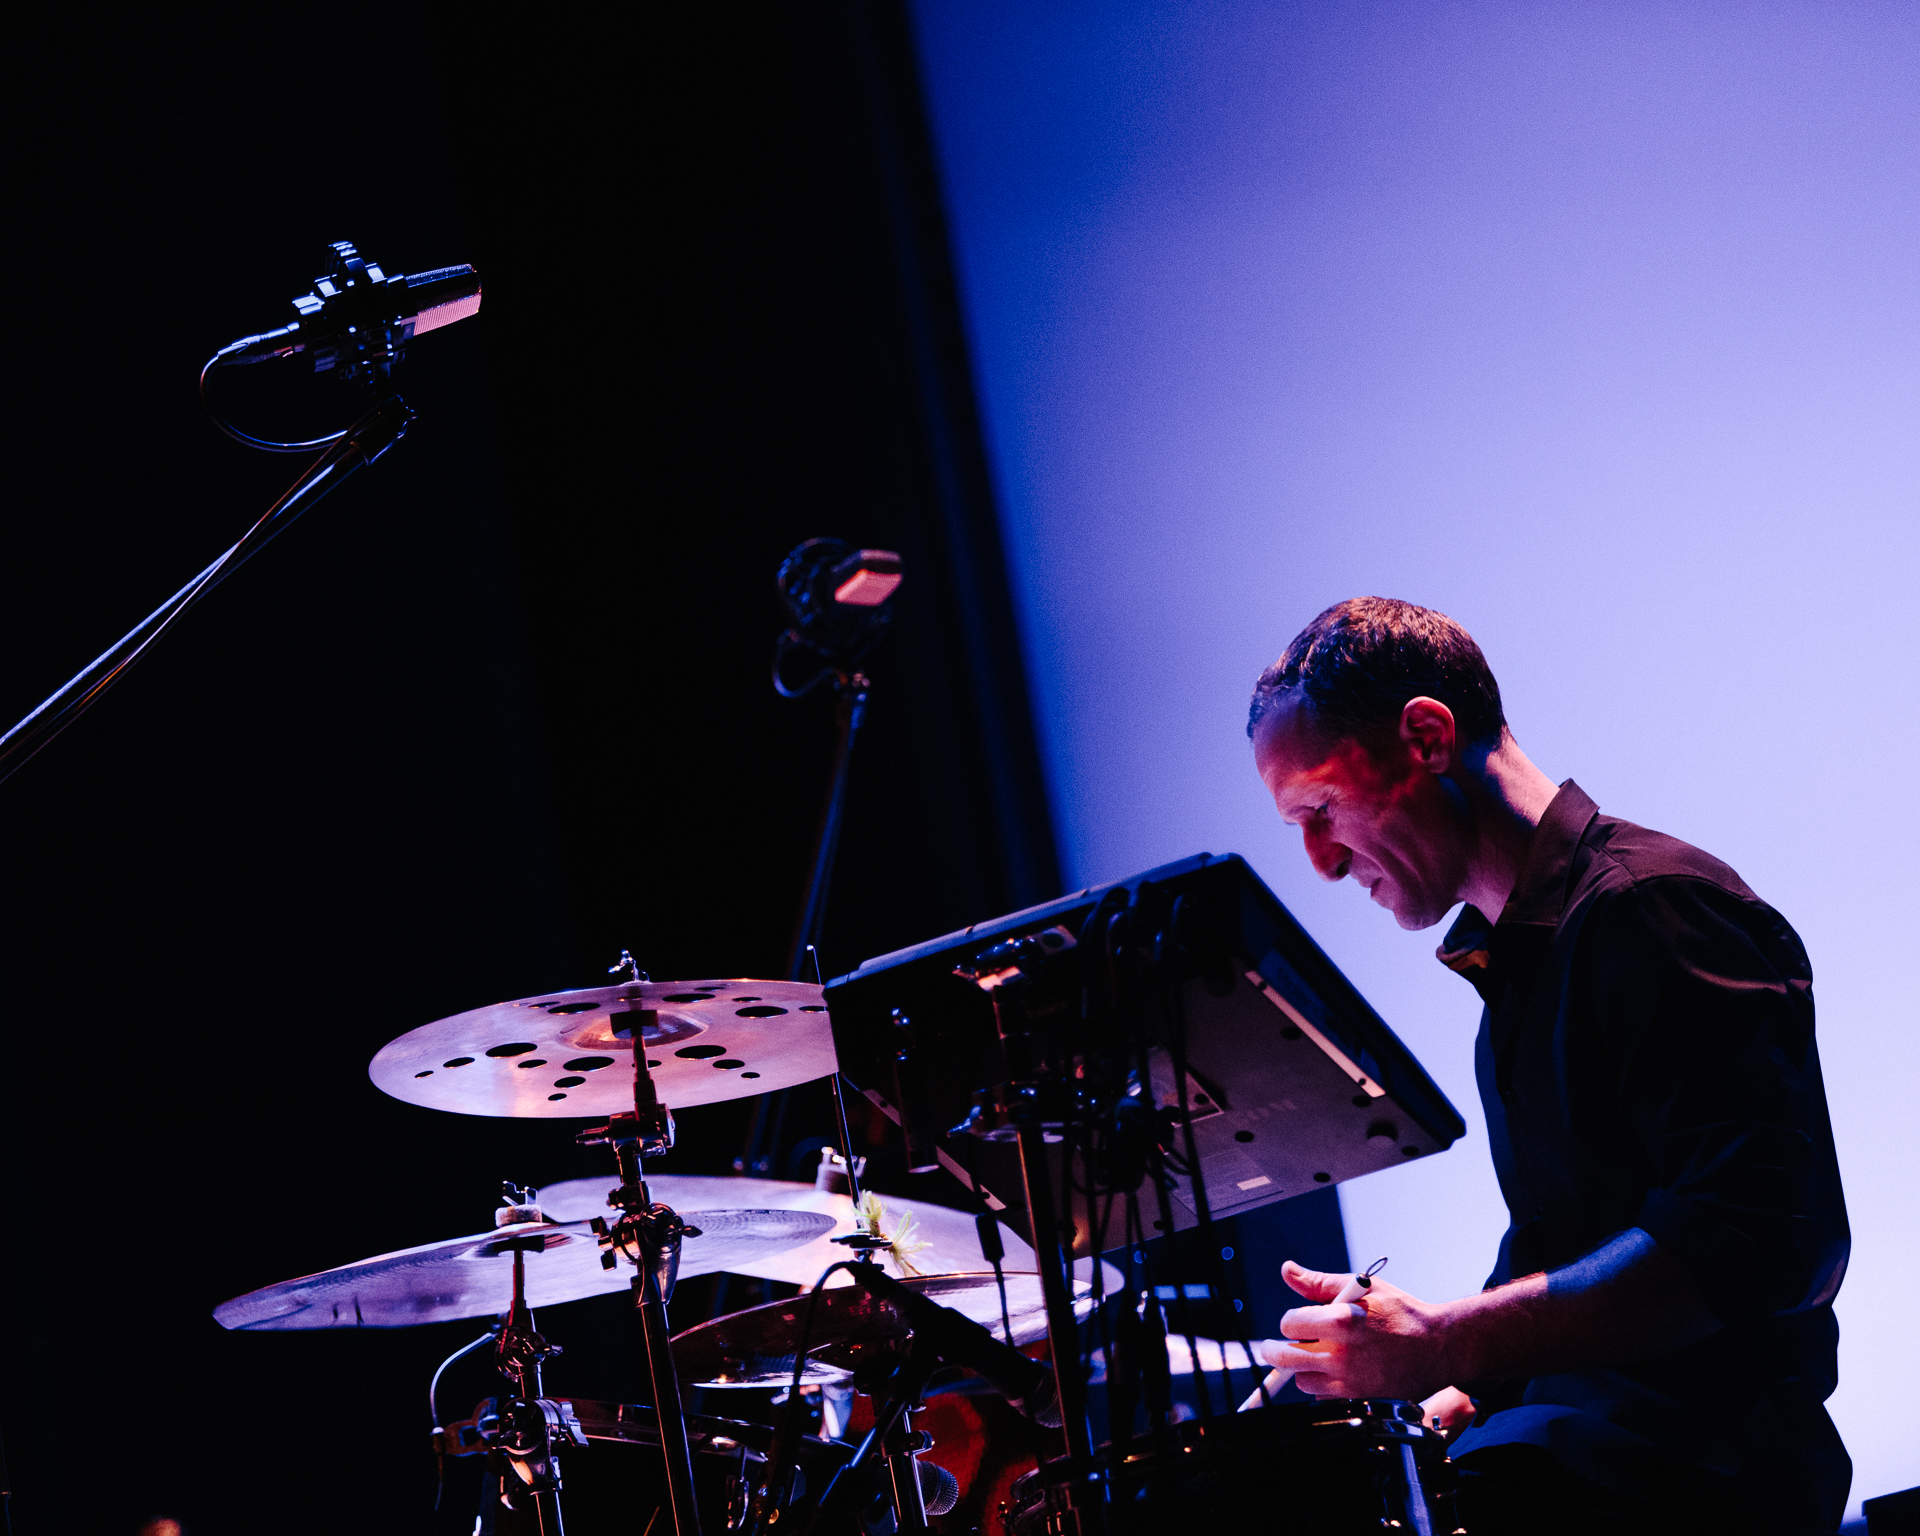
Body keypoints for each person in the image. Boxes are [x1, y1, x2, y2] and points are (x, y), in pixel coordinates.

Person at [1245, 597, 1850, 1534]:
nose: (1321, 861)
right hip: (1603, 1462)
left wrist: (1446, 1340)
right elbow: (1569, 1244)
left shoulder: (1653, 908)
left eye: (1320, 810)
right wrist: (1459, 1387)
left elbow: (1756, 1240)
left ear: (1427, 737)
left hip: (1700, 1479)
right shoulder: (1524, 967)